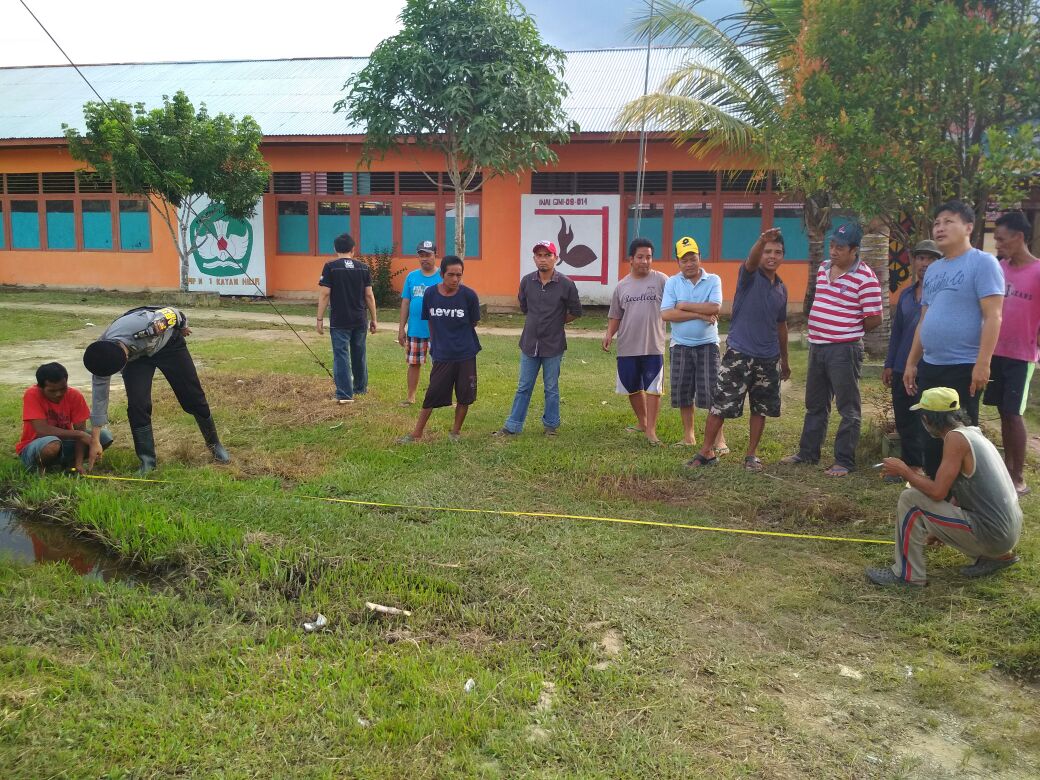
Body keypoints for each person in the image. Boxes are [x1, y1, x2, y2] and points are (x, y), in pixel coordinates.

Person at [868, 387, 1022, 587]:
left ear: (929, 418)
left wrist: (904, 471)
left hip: (994, 534)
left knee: (910, 498)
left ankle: (907, 576)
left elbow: (938, 492)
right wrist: (940, 528)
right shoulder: (973, 434)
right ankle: (996, 557)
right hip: (1006, 532)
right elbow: (961, 490)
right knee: (921, 498)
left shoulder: (955, 440)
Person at [903, 201, 1005, 477]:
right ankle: (936, 489)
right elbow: (925, 319)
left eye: (948, 221)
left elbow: (993, 316)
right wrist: (912, 362)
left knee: (961, 433)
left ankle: (963, 495)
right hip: (932, 365)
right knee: (930, 429)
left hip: (964, 366)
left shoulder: (983, 263)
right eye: (937, 222)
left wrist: (983, 363)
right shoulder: (934, 270)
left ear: (969, 227)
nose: (940, 227)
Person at [782, 222, 884, 476]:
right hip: (817, 346)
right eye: (832, 245)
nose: (834, 251)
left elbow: (875, 318)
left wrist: (847, 330)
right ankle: (807, 453)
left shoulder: (866, 277)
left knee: (848, 408)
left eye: (840, 247)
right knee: (815, 404)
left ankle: (844, 461)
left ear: (854, 250)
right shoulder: (824, 268)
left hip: (844, 350)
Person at [688, 228, 790, 471]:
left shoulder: (782, 289)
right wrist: (760, 241)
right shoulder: (750, 276)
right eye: (767, 251)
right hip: (739, 354)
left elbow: (781, 325)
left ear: (783, 256)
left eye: (777, 252)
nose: (771, 256)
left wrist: (784, 360)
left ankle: (751, 455)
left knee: (761, 409)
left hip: (768, 358)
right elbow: (751, 261)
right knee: (720, 405)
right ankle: (706, 452)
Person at [83, 306, 229, 475]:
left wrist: (182, 326)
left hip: (168, 346)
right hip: (138, 360)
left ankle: (214, 444)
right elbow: (100, 399)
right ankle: (147, 461)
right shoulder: (100, 357)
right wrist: (95, 439)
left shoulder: (147, 325)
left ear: (123, 357)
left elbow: (174, 313)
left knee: (193, 396)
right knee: (138, 405)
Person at [494, 240, 583, 437]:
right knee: (523, 386)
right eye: (539, 255)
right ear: (534, 258)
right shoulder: (527, 281)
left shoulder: (566, 284)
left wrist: (557, 322)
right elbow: (524, 306)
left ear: (556, 258)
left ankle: (551, 426)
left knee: (551, 387)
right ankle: (513, 426)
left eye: (547, 255)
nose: (543, 259)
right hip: (529, 343)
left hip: (554, 344)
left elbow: (576, 311)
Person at [397, 256, 481, 443]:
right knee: (432, 395)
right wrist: (437, 344)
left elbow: (473, 322)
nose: (455, 279)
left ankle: (455, 432)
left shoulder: (469, 296)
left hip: (465, 353)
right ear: (441, 274)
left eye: (459, 275)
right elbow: (431, 322)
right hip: (442, 354)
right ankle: (416, 434)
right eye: (450, 275)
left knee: (464, 395)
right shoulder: (431, 294)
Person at [985, 212, 1040, 495]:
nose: (998, 245)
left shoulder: (1038, 272)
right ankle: (1006, 470)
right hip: (995, 352)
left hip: (1022, 355)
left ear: (1019, 238)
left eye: (1002, 240)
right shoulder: (997, 269)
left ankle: (1017, 477)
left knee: (1014, 413)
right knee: (1002, 411)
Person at [660, 236, 728, 451]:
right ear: (677, 262)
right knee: (683, 392)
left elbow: (715, 308)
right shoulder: (672, 282)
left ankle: (719, 439)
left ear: (700, 257)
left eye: (693, 258)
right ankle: (689, 436)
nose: (689, 264)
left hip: (707, 345)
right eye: (684, 260)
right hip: (680, 345)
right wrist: (699, 315)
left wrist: (684, 305)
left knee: (711, 392)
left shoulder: (713, 280)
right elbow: (667, 314)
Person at [883, 240, 942, 476]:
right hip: (900, 366)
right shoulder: (906, 295)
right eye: (920, 258)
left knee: (926, 418)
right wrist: (889, 364)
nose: (924, 263)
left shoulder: (941, 296)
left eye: (930, 258)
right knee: (904, 416)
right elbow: (896, 332)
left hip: (928, 366)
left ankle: (928, 467)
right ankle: (911, 465)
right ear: (914, 261)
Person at [602, 238, 669, 445]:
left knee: (653, 388)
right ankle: (642, 422)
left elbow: (675, 305)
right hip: (627, 346)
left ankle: (651, 430)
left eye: (648, 257)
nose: (645, 261)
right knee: (632, 387)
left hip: (653, 345)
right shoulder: (622, 286)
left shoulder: (662, 280)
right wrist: (608, 334)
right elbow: (616, 315)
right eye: (640, 257)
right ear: (631, 259)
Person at [16, 362, 112, 474]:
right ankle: (39, 466)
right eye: (52, 391)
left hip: (64, 442)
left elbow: (80, 431)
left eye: (63, 388)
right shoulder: (32, 394)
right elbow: (42, 430)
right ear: (40, 387)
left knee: (104, 436)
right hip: (36, 444)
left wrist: (79, 464)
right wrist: (80, 434)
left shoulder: (75, 395)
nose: (58, 394)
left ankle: (69, 462)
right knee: (52, 445)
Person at [317, 233, 378, 403]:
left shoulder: (330, 267)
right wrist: (374, 319)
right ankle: (360, 388)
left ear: (335, 249)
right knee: (359, 353)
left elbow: (325, 294)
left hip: (339, 320)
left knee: (341, 355)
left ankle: (344, 393)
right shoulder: (364, 268)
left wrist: (319, 319)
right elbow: (369, 296)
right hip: (359, 319)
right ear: (353, 249)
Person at [397, 240, 443, 406]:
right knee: (414, 364)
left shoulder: (442, 276)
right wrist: (401, 328)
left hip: (438, 331)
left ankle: (440, 397)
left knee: (441, 366)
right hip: (416, 329)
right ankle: (411, 397)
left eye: (428, 255)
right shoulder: (411, 277)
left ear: (435, 255)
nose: (425, 259)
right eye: (421, 255)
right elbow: (406, 302)